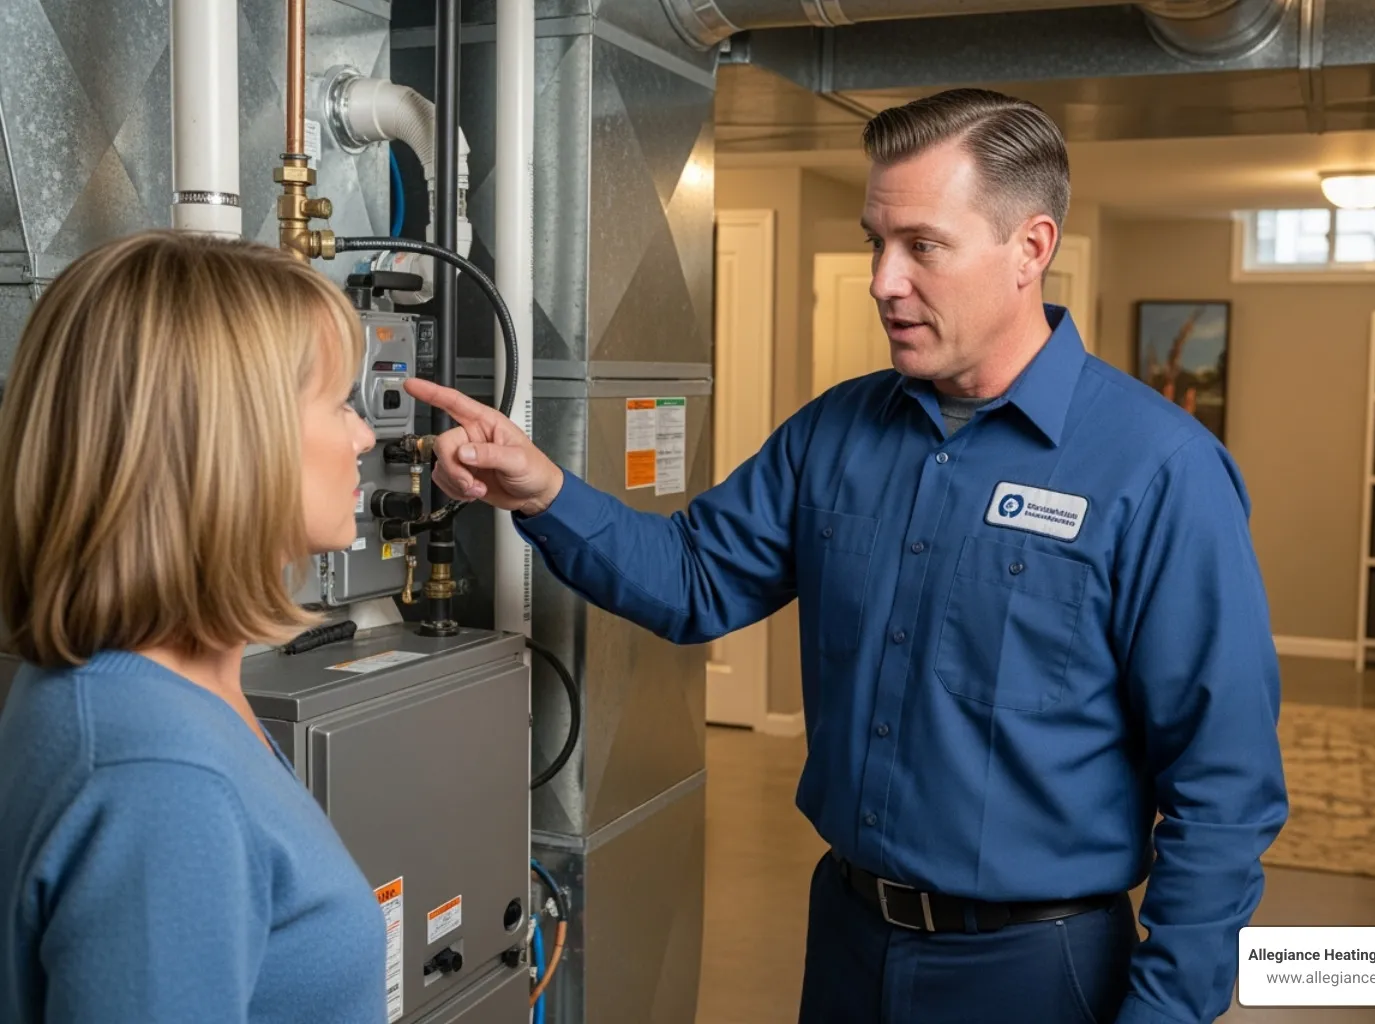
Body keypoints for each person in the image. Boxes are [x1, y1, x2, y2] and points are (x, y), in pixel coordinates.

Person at [407, 88, 1289, 1024]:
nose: (882, 280)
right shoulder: (838, 430)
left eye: (923, 246)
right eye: (877, 242)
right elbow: (697, 578)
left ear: (1031, 248)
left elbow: (1222, 787)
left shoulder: (1160, 470)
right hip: (847, 940)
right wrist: (542, 489)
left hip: (1037, 967)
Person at [0, 231, 384, 1023]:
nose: (365, 437)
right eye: (340, 403)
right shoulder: (158, 778)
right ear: (232, 438)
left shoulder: (153, 694)